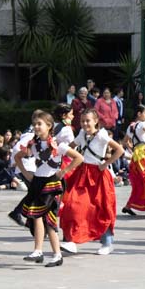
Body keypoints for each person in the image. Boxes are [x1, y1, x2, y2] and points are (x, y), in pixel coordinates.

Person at [14, 110, 84, 267]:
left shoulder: (58, 145)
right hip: (38, 182)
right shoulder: (34, 145)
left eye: (39, 124)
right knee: (41, 218)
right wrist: (26, 173)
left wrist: (64, 171)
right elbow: (17, 157)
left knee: (44, 217)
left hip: (52, 184)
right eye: (34, 125)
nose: (36, 127)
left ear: (49, 126)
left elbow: (79, 158)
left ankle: (44, 252)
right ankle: (51, 253)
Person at [59, 109, 124, 255]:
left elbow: (119, 150)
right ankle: (72, 240)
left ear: (96, 121)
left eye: (88, 120)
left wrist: (106, 163)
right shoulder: (81, 134)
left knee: (102, 207)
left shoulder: (102, 135)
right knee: (73, 204)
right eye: (82, 121)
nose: (85, 124)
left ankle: (107, 242)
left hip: (99, 175)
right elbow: (71, 147)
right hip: (82, 173)